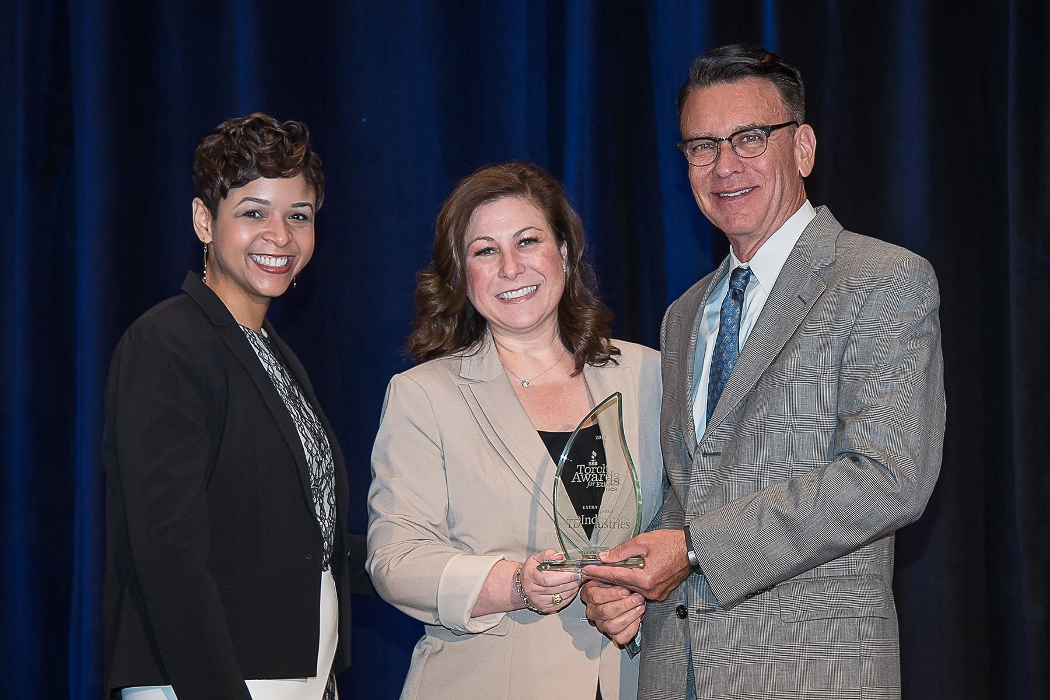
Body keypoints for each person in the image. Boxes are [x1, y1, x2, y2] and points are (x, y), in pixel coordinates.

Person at [581, 44, 946, 699]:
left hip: (810, 677)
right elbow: (688, 497)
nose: (725, 166)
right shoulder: (685, 314)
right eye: (701, 146)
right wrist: (628, 586)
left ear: (802, 149)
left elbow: (888, 480)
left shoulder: (882, 280)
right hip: (675, 676)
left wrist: (690, 548)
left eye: (750, 138)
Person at [367, 161, 664, 700]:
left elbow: (685, 528)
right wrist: (514, 584)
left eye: (528, 241)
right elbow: (395, 560)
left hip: (636, 683)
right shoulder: (423, 395)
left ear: (565, 253)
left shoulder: (650, 374)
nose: (510, 267)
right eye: (485, 250)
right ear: (462, 272)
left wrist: (643, 590)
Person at [103, 113, 371, 700]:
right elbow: (168, 554)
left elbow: (305, 532)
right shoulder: (167, 344)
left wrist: (421, 554)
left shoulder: (271, 352)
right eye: (254, 212)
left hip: (295, 676)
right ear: (205, 220)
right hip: (208, 682)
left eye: (298, 215)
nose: (280, 235)